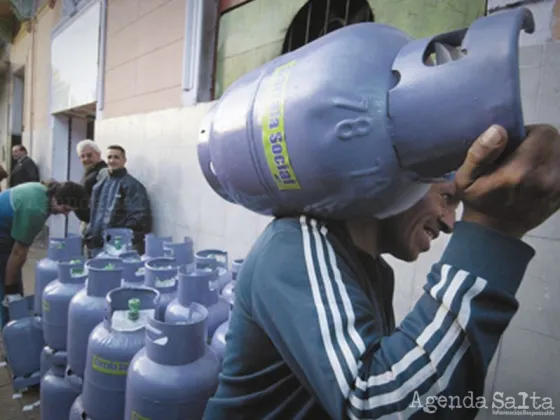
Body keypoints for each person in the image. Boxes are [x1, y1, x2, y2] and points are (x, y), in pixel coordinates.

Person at [204, 124, 560, 419]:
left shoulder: (377, 271)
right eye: (448, 198)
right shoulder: (295, 243)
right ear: (400, 179)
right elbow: (381, 404)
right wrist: (493, 229)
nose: (451, 224)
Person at [0, 181, 88, 327]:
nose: (66, 214)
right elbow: (18, 253)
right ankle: (7, 330)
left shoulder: (43, 191)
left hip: (6, 227)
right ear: (56, 199)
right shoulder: (36, 210)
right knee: (5, 285)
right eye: (65, 209)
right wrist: (10, 290)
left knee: (12, 283)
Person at [84, 145, 152, 257]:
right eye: (109, 157)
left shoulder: (132, 186)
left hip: (117, 249)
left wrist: (118, 240)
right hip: (97, 245)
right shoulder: (101, 183)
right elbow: (94, 213)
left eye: (116, 157)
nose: (112, 160)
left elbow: (140, 219)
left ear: (124, 160)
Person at [73, 139, 108, 224]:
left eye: (89, 155)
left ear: (98, 154)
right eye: (82, 156)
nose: (86, 159)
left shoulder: (103, 173)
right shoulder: (90, 171)